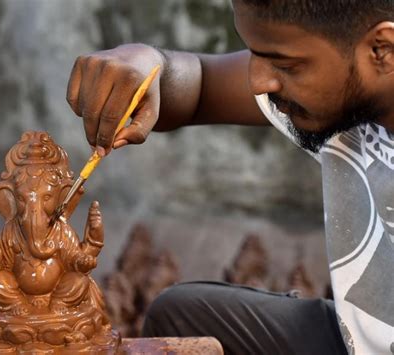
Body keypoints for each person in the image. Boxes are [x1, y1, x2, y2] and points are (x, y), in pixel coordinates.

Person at [65, 1, 394, 354]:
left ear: (382, 50)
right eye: (255, 53)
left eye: (284, 65)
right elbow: (202, 84)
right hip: (363, 337)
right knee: (180, 317)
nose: (257, 82)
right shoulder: (352, 86)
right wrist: (150, 65)